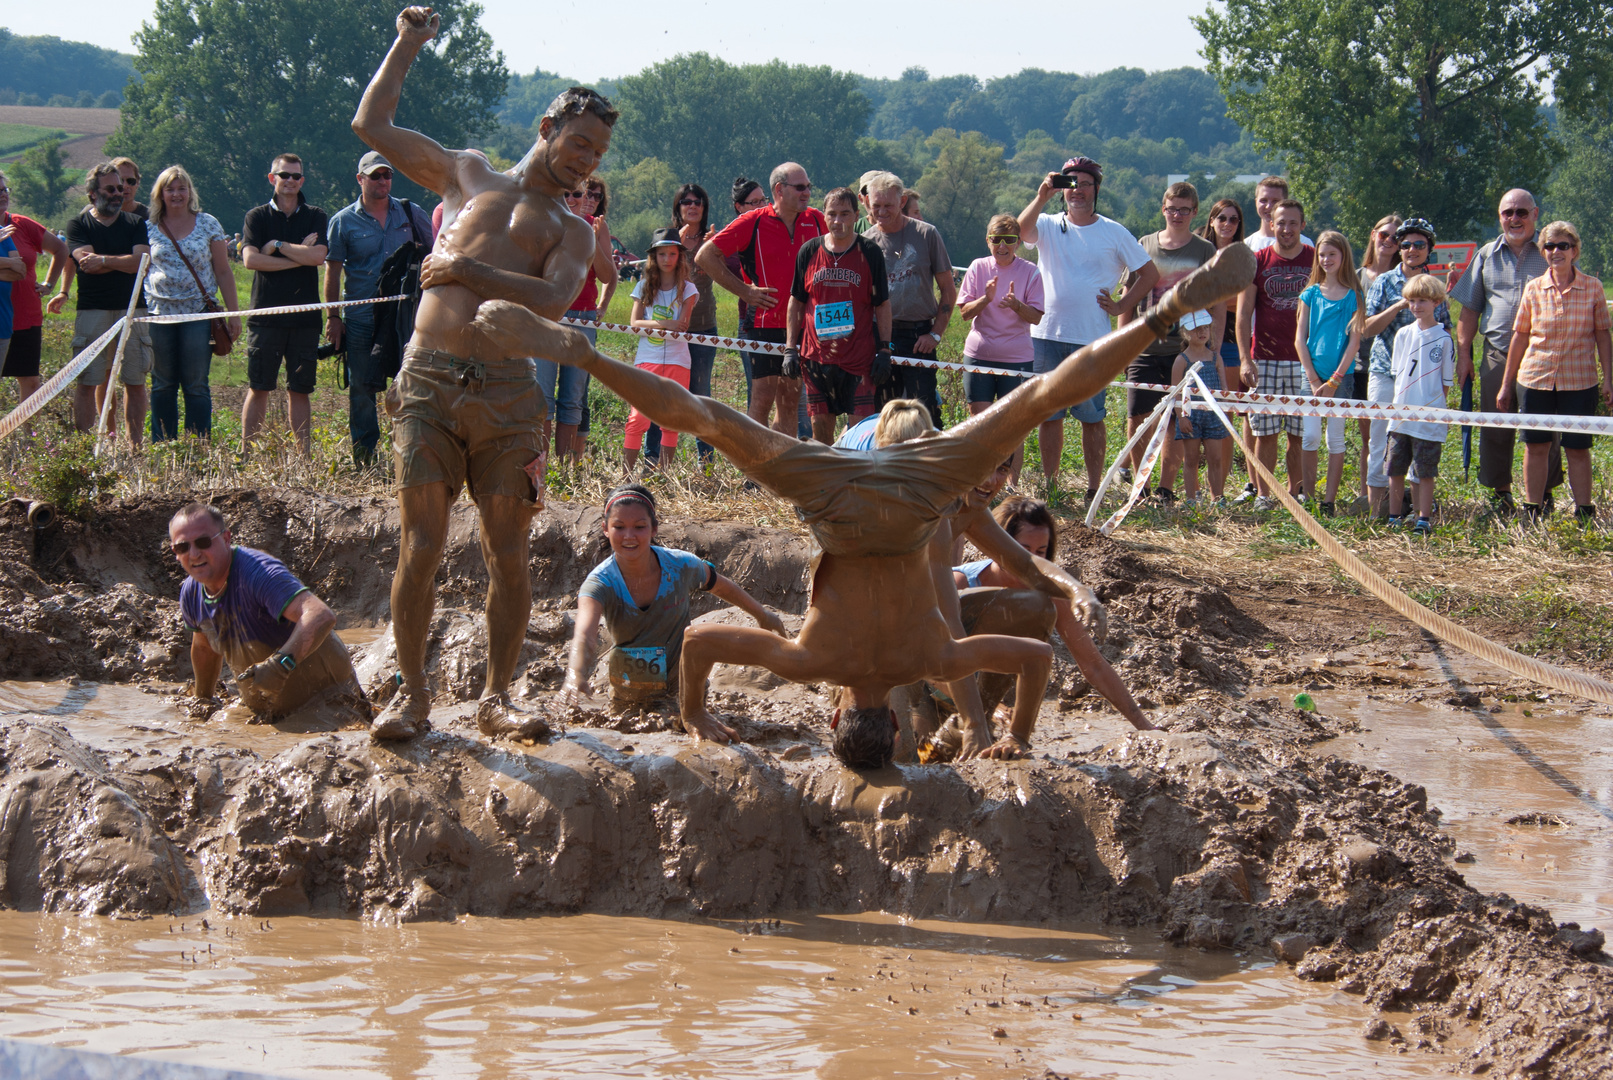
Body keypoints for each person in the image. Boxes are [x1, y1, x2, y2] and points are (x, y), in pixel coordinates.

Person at [467, 240, 1255, 766]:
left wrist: (1015, 733)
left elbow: (1034, 662)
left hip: (901, 496)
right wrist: (694, 714)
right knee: (706, 415)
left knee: (1034, 401)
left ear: (875, 722)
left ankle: (580, 348)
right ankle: (584, 351)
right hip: (850, 499)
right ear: (842, 716)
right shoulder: (818, 665)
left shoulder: (928, 662)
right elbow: (704, 644)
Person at [351, 6, 616, 742]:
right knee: (422, 546)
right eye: (578, 143)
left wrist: (465, 268)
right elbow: (372, 126)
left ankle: (499, 697)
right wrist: (407, 42)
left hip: (507, 398)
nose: (585, 161)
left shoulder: (570, 229)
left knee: (507, 551)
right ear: (547, 129)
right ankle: (411, 696)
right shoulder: (466, 175)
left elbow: (556, 299)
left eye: (596, 154)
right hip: (430, 383)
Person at [562, 485, 785, 708]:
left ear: (654, 528)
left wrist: (762, 613)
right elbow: (585, 635)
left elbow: (720, 585)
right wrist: (575, 674)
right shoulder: (600, 582)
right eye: (619, 527)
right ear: (606, 529)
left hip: (685, 685)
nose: (629, 536)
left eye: (639, 527)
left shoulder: (680, 565)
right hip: (630, 689)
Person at [948, 495, 1151, 737]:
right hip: (941, 690)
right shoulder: (958, 582)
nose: (1031, 561)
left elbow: (1093, 665)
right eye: (1023, 551)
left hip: (987, 701)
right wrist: (992, 710)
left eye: (1041, 552)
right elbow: (932, 660)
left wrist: (1145, 726)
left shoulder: (1050, 593)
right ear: (999, 545)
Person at [1017, 157, 1159, 497]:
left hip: (1092, 339)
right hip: (1047, 335)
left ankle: (1094, 488)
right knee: (1049, 416)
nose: (1076, 190)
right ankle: (1051, 486)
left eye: (1084, 183)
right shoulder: (1049, 223)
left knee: (1092, 417)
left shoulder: (1113, 231)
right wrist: (1042, 196)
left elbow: (1150, 274)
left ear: (1096, 189)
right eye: (1070, 183)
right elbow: (1020, 232)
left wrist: (1123, 305)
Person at [169, 502, 368, 725]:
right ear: (175, 553)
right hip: (266, 714)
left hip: (330, 702)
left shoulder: (258, 573)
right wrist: (203, 700)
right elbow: (204, 647)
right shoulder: (190, 592)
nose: (194, 554)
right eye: (183, 547)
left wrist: (280, 665)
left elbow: (320, 615)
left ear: (226, 539)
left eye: (203, 542)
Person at [324, 149, 436, 468]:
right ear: (361, 179)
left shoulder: (411, 213)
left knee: (412, 386)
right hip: (361, 319)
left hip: (406, 319)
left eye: (387, 175)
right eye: (375, 176)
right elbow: (332, 272)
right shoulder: (342, 222)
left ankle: (412, 453)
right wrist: (333, 317)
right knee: (362, 389)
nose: (383, 181)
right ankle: (365, 458)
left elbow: (434, 256)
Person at [697, 162, 825, 437]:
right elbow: (704, 256)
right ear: (779, 189)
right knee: (762, 397)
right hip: (764, 322)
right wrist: (745, 291)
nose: (807, 193)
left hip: (804, 325)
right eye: (800, 187)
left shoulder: (816, 219)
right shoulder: (753, 221)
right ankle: (753, 472)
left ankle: (783, 468)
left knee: (790, 399)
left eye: (808, 187)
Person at [1450, 190, 1558, 516]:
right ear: (1499, 216)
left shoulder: (1550, 252)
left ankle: (1543, 496)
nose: (1515, 219)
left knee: (1544, 430)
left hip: (1541, 356)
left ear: (1535, 214)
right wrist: (1465, 355)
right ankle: (1501, 495)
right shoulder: (1485, 255)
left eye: (1522, 212)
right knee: (1496, 427)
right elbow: (1469, 310)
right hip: (1496, 355)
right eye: (1508, 212)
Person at [1497, 221, 1612, 524]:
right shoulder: (1534, 289)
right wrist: (1507, 385)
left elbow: (1602, 334)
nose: (1556, 251)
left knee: (1577, 448)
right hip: (1535, 379)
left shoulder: (1593, 288)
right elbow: (1521, 336)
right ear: (1543, 252)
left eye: (1563, 245)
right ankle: (1532, 510)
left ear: (1575, 250)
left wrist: (1609, 379)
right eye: (1549, 246)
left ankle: (1584, 513)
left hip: (1580, 381)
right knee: (1536, 446)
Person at [1120, 182, 1219, 500]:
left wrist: (1210, 346)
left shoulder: (1205, 250)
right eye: (1172, 208)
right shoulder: (1144, 244)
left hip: (1186, 349)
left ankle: (1165, 488)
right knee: (1137, 419)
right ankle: (1141, 488)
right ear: (1163, 209)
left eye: (1184, 209)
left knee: (1178, 421)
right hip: (1144, 346)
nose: (1177, 214)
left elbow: (1217, 300)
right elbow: (1128, 297)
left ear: (1194, 212)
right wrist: (1122, 345)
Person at [785, 186, 892, 444]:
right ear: (823, 216)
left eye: (845, 214)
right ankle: (826, 481)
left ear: (856, 216)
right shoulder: (809, 251)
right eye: (832, 214)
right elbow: (796, 302)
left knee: (859, 432)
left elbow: (882, 305)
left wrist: (885, 350)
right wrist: (790, 348)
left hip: (858, 359)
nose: (838, 221)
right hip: (816, 358)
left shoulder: (870, 252)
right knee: (820, 427)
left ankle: (854, 482)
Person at [240, 153, 329, 456]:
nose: (289, 181)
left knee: (300, 390)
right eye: (283, 175)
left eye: (295, 176)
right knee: (259, 387)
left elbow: (318, 258)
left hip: (305, 317)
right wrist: (298, 257)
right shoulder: (256, 217)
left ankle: (302, 458)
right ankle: (248, 455)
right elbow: (251, 260)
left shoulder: (316, 215)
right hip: (265, 317)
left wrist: (277, 248)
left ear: (302, 180)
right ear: (272, 178)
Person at [143, 165, 239, 442]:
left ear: (190, 192)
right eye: (170, 189)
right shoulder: (148, 226)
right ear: (160, 194)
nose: (176, 194)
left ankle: (198, 447)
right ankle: (163, 447)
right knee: (162, 384)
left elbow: (223, 270)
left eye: (181, 188)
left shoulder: (208, 223)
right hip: (158, 314)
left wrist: (234, 315)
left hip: (198, 313)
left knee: (196, 385)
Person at [1362, 218, 1450, 518]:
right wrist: (1399, 305)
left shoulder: (1434, 285)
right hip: (1386, 373)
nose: (1412, 250)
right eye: (1406, 244)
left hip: (1424, 383)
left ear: (1429, 250)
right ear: (1399, 249)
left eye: (1419, 245)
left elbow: (1446, 332)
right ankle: (1377, 512)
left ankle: (1415, 509)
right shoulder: (1385, 282)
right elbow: (1366, 328)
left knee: (1419, 443)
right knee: (1381, 442)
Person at [63, 163, 152, 445]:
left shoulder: (136, 223)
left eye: (121, 188)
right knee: (88, 380)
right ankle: (86, 448)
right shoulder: (78, 224)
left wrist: (103, 260)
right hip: (92, 312)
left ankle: (135, 447)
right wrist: (119, 262)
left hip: (133, 310)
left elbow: (142, 263)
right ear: (92, 194)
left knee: (135, 382)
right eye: (111, 189)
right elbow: (85, 263)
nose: (119, 193)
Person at [1235, 198, 1314, 510]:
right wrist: (1244, 358)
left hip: (1304, 359)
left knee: (1298, 433)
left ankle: (1296, 495)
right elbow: (1243, 315)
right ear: (1271, 224)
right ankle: (1266, 496)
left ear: (1302, 226)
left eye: (1293, 223)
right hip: (1264, 356)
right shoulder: (1258, 260)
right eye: (1281, 223)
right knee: (1265, 433)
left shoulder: (1314, 260)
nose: (1286, 229)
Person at [863, 171, 955, 429]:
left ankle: (930, 466)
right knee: (884, 414)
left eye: (888, 206)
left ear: (902, 202)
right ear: (868, 203)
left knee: (924, 412)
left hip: (919, 336)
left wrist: (935, 334)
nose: (881, 211)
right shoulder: (866, 242)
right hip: (880, 336)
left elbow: (948, 289)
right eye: (876, 205)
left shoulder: (926, 234)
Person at [957, 213, 1043, 484]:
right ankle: (977, 480)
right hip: (979, 355)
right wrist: (986, 299)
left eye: (1008, 240)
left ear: (1018, 242)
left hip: (1017, 359)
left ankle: (1011, 486)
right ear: (988, 241)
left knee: (1013, 425)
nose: (1002, 246)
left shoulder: (1030, 271)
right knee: (979, 422)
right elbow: (964, 313)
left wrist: (1017, 305)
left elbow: (1037, 317)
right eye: (996, 240)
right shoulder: (977, 267)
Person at [536, 179, 615, 466]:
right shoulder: (545, 219)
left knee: (572, 398)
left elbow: (607, 276)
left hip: (583, 317)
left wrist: (592, 241)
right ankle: (541, 466)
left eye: (578, 194)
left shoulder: (596, 225)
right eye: (566, 193)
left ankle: (565, 468)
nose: (572, 198)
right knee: (542, 397)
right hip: (548, 314)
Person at [646, 183, 716, 465]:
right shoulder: (667, 239)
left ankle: (707, 464)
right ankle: (653, 460)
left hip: (702, 327)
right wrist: (680, 241)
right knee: (660, 396)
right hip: (668, 330)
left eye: (698, 201)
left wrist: (715, 247)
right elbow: (649, 276)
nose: (693, 206)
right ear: (677, 207)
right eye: (686, 201)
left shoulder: (713, 239)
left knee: (701, 395)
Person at [1294, 230, 1363, 515]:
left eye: (1331, 254)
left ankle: (1329, 501)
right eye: (1321, 255)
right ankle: (1308, 497)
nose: (1326, 259)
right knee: (1309, 437)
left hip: (1341, 378)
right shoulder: (1309, 294)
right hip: (1310, 375)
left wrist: (1335, 380)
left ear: (1343, 255)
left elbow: (1354, 342)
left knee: (1334, 439)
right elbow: (1299, 339)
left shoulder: (1353, 296)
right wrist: (1312, 378)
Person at [624, 228, 699, 471]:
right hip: (648, 360)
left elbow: (683, 325)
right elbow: (635, 323)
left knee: (672, 420)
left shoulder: (688, 289)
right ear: (654, 257)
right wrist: (664, 324)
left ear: (680, 257)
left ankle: (665, 476)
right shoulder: (643, 286)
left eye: (672, 254)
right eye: (662, 254)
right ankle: (625, 477)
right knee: (636, 419)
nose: (667, 259)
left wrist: (669, 326)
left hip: (678, 360)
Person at [1385, 275, 1455, 535]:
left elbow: (1445, 382)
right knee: (1395, 467)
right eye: (1412, 300)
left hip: (1428, 417)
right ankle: (1393, 517)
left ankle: (1423, 519)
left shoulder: (1444, 339)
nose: (1416, 306)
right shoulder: (1403, 334)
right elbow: (1398, 373)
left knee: (1424, 470)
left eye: (1422, 300)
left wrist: (1433, 407)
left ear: (1436, 302)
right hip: (1400, 414)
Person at [0, 168, 71, 410]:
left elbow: (61, 249)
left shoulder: (22, 224)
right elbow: (16, 268)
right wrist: (11, 266)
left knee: (30, 381)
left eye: (4, 190)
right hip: (0, 316)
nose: (2, 195)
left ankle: (27, 441)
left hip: (25, 316)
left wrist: (49, 285)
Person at [1349, 213, 1403, 513]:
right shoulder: (1355, 277)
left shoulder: (1404, 278)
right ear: (1373, 235)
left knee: (1399, 436)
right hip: (1363, 366)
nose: (1388, 241)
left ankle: (1397, 495)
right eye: (1384, 234)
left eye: (1396, 237)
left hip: (1399, 368)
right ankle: (1368, 495)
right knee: (1371, 437)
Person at [1200, 196, 1247, 492]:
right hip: (1194, 337)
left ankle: (1219, 485)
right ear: (1212, 221)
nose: (1228, 224)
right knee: (1195, 413)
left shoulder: (1244, 257)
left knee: (1223, 414)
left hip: (1230, 341)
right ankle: (1192, 482)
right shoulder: (1198, 252)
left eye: (1233, 219)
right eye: (1222, 218)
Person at [1170, 310, 1229, 504]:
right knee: (1192, 459)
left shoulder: (1215, 358)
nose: (1202, 332)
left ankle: (1217, 498)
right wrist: (1182, 417)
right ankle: (1190, 499)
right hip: (1191, 415)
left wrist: (1225, 410)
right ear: (1186, 332)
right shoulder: (1181, 361)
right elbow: (1176, 393)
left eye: (1205, 328)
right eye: (1196, 329)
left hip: (1213, 414)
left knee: (1216, 458)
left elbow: (1224, 388)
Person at [1244, 176, 1314, 253]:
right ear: (1256, 202)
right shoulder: (1247, 245)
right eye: (1263, 200)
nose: (1268, 206)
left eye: (1275, 201)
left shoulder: (1304, 243)